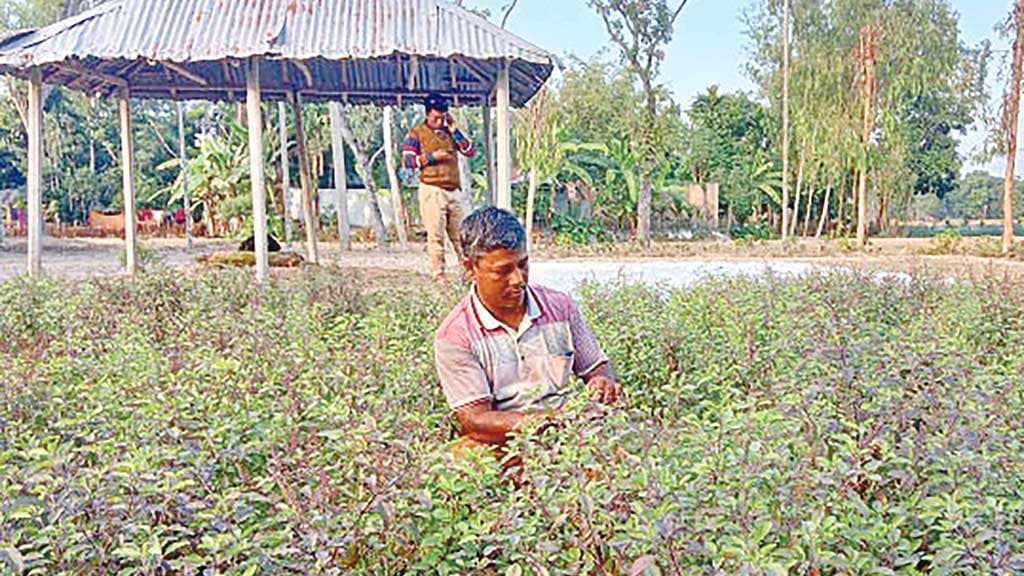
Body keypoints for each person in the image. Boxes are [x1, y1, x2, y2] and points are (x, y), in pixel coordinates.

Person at [433, 207, 622, 454]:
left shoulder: (560, 307)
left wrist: (602, 382)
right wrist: (552, 421)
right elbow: (475, 420)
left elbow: (598, 368)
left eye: (523, 265)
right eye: (503, 271)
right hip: (501, 442)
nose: (518, 279)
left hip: (567, 435)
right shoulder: (455, 336)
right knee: (459, 461)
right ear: (470, 268)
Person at [402, 93, 476, 282]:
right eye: (436, 117)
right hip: (432, 190)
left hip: (453, 190)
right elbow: (408, 161)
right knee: (436, 236)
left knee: (462, 236)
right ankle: (439, 276)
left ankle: (469, 274)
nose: (439, 121)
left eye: (442, 117)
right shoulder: (416, 133)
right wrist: (433, 157)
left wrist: (455, 130)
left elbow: (470, 151)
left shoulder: (450, 133)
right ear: (427, 114)